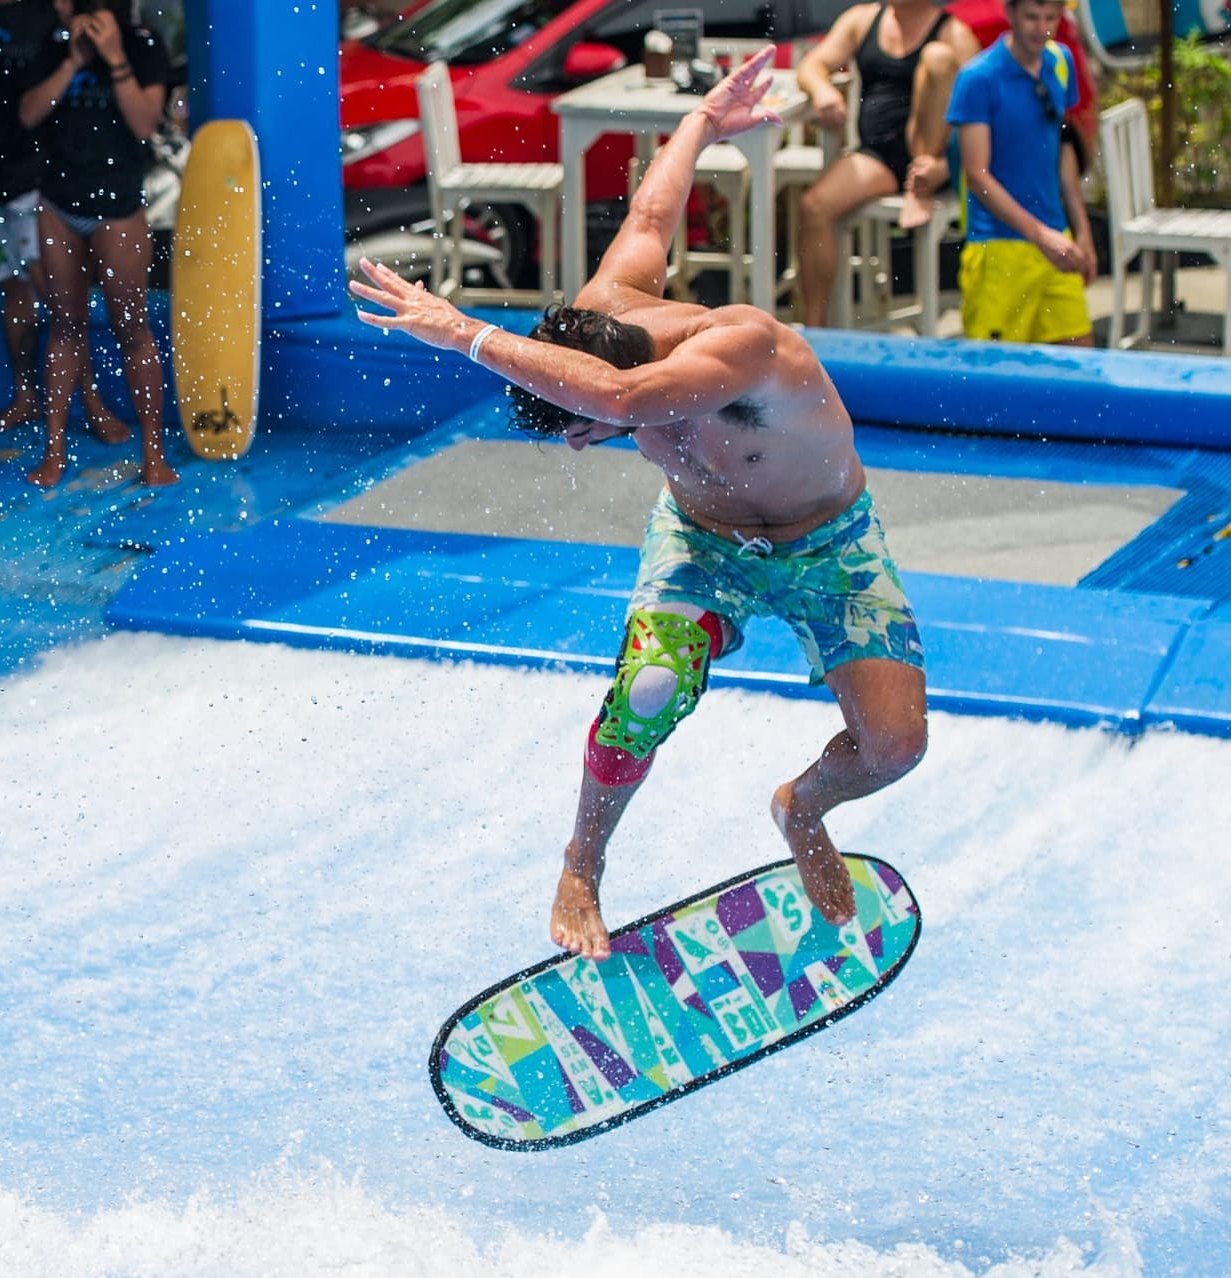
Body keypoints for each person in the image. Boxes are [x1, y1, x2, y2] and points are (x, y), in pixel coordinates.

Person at [350, 47, 928, 960]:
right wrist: (701, 120)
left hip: (831, 546)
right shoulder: (609, 312)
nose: (588, 437)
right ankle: (582, 864)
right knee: (648, 691)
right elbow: (651, 212)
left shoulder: (738, 352)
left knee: (895, 747)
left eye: (584, 424)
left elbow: (616, 405)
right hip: (704, 540)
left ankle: (803, 810)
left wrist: (463, 330)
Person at [0, 0, 130, 442]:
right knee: (13, 287)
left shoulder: (49, 19)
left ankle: (91, 400)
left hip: (34, 176)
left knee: (56, 296)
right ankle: (26, 396)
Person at [17, 0, 179, 489]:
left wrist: (114, 58)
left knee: (133, 329)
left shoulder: (143, 45)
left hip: (118, 207)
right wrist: (72, 62)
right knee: (65, 326)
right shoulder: (53, 46)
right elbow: (28, 115)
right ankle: (54, 451)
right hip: (60, 202)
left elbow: (145, 124)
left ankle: (153, 452)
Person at [794, 0, 980, 328]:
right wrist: (823, 91)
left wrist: (947, 168)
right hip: (880, 155)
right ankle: (815, 332)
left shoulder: (954, 34)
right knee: (814, 207)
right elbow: (812, 64)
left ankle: (920, 185)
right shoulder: (862, 19)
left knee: (937, 59)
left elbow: (985, 114)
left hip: (934, 161)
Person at [946, 0, 1096, 345]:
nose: (1040, 27)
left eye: (1050, 18)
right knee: (995, 383)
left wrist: (1082, 232)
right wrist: (1041, 236)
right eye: (1031, 16)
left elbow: (1063, 150)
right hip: (998, 250)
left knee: (1080, 367)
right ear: (1010, 14)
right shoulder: (977, 78)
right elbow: (977, 175)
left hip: (1057, 241)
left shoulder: (1060, 62)